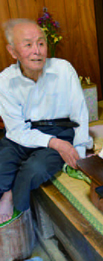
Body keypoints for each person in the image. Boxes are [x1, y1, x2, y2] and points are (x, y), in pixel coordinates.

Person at [0, 19, 92, 223]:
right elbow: (16, 130)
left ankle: (13, 199)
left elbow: (80, 112)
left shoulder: (63, 69)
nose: (37, 51)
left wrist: (80, 150)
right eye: (28, 45)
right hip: (22, 134)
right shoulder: (5, 81)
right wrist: (55, 144)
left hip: (59, 130)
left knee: (36, 169)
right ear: (13, 51)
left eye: (41, 43)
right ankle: (5, 191)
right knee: (1, 165)